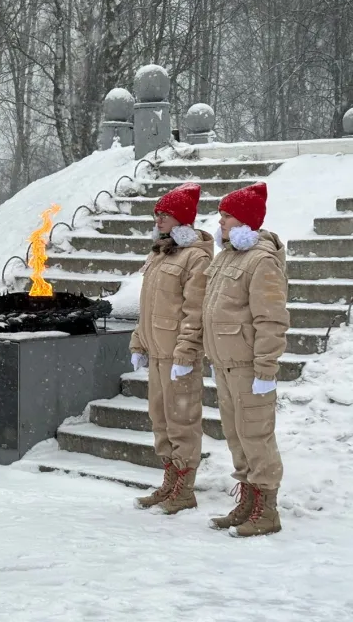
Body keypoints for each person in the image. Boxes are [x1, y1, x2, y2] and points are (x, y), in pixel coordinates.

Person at [203, 182, 289, 537]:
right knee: (236, 436)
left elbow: (271, 319)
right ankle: (248, 502)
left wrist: (266, 368)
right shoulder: (225, 257)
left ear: (246, 221)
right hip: (225, 364)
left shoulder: (262, 261)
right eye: (221, 215)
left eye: (227, 216)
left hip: (250, 367)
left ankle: (267, 510)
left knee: (256, 436)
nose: (220, 222)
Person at [129, 183, 213, 514]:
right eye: (157, 213)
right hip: (157, 351)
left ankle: (184, 488)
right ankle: (169, 481)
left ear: (181, 219)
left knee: (182, 420)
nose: (158, 218)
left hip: (179, 355)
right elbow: (146, 306)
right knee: (160, 419)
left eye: (165, 214)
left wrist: (185, 351)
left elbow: (195, 310)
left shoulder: (196, 257)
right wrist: (139, 341)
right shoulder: (158, 254)